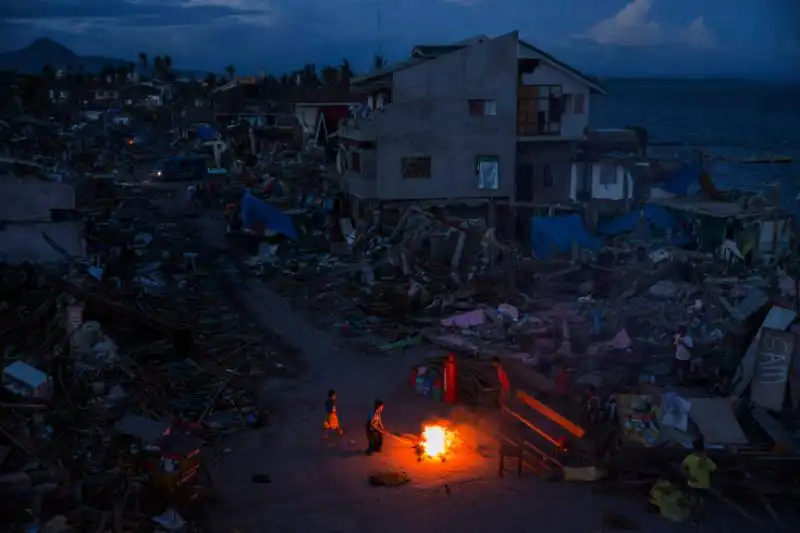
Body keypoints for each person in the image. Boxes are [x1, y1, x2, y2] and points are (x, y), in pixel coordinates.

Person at [681, 438, 717, 524]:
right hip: (704, 485)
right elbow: (714, 470)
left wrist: (689, 477)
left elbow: (682, 467)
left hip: (692, 484)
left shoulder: (689, 458)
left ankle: (694, 519)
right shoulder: (707, 460)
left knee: (693, 502)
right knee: (702, 503)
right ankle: (701, 519)